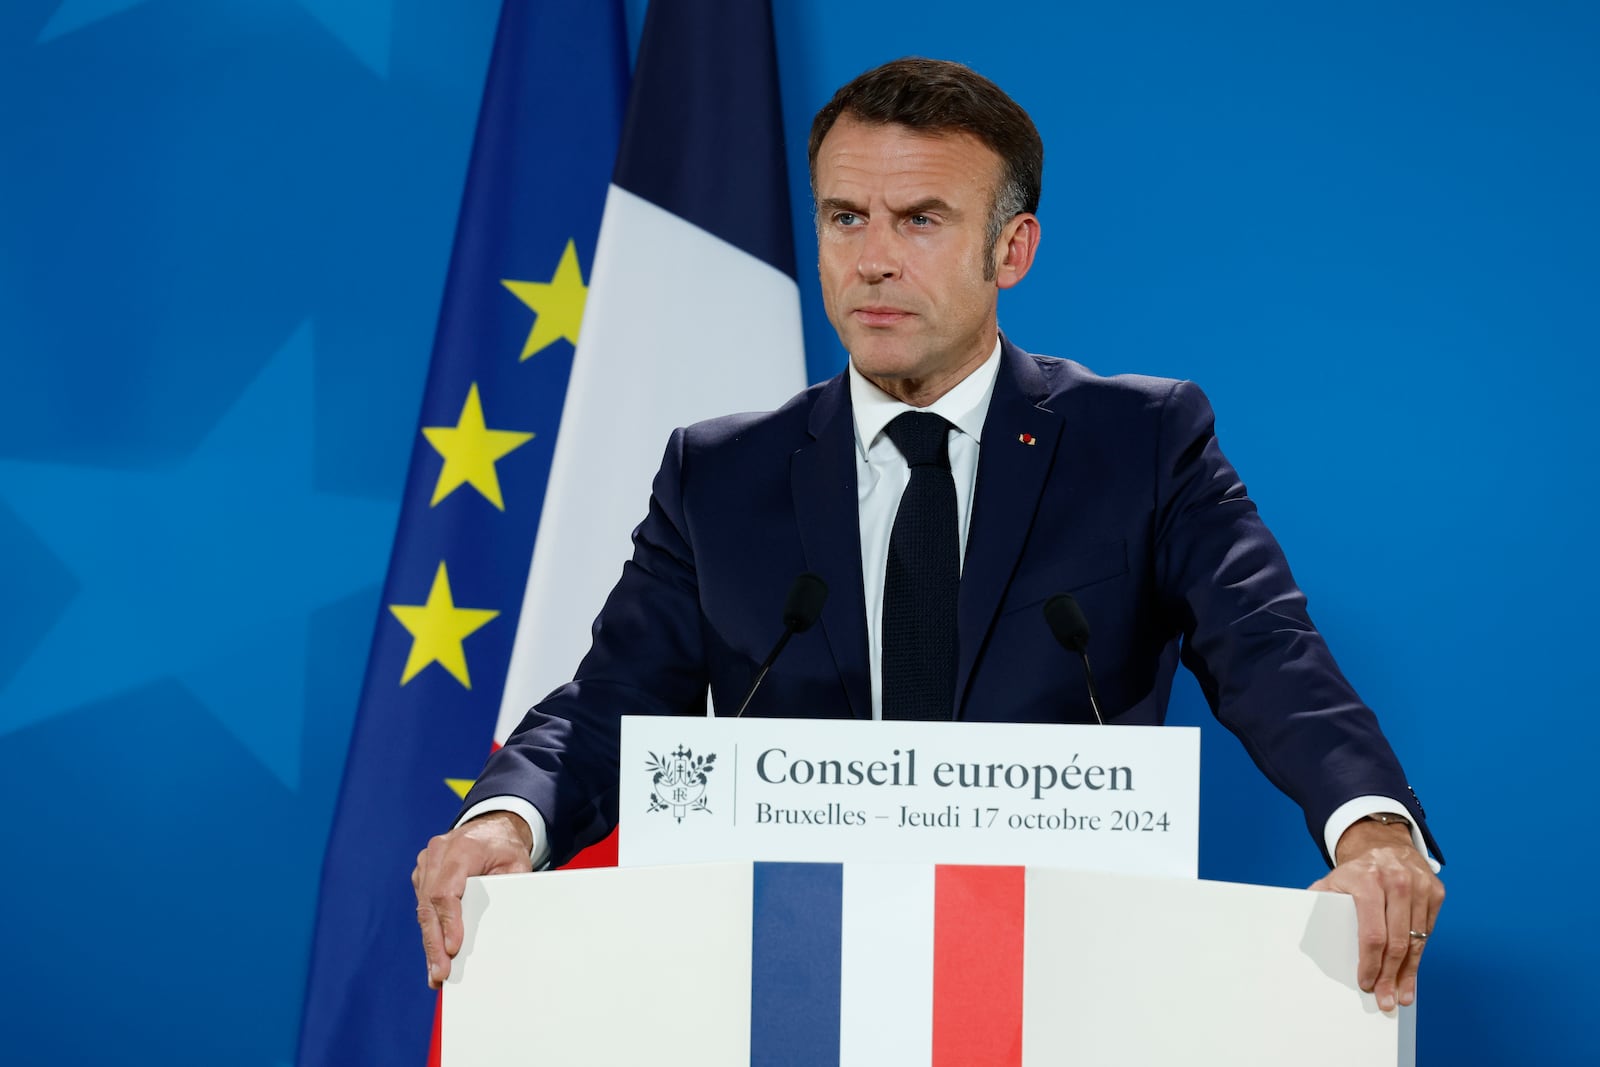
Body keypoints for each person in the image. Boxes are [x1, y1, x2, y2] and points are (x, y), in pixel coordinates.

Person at [413, 57, 1443, 1014]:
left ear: (1012, 248)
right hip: (789, 987)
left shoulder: (1142, 444)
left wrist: (1373, 829)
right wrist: (502, 822)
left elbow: (1270, 652)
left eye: (918, 220)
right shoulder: (716, 475)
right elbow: (607, 707)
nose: (871, 260)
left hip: (1063, 984)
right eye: (845, 216)